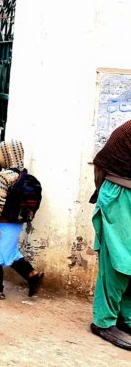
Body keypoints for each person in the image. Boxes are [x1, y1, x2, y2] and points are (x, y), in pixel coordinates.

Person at [0, 139, 44, 300]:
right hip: (16, 223)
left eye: (0, 155)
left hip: (2, 223)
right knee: (9, 252)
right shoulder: (24, 175)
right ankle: (32, 275)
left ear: (7, 155)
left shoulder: (4, 176)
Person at [89, 119, 131, 350]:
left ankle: (126, 317)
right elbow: (101, 164)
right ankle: (104, 322)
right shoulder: (128, 130)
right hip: (120, 196)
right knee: (118, 263)